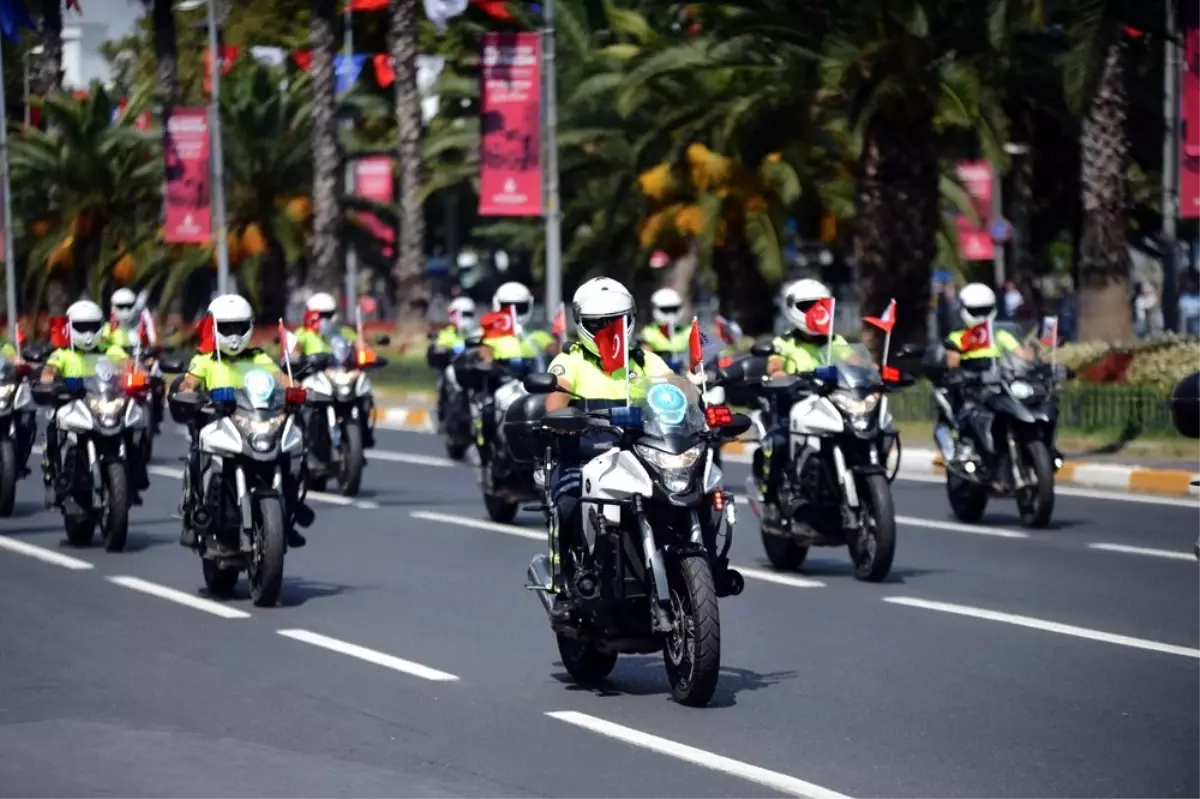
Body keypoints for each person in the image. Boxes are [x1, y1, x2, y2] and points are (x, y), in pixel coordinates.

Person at [541, 278, 674, 621]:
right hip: (584, 459)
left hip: (643, 457)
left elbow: (676, 390)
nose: (607, 330)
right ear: (581, 323)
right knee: (569, 505)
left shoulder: (646, 361)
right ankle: (564, 584)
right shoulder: (570, 360)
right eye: (598, 323)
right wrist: (561, 414)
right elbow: (556, 395)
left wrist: (701, 404)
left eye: (614, 321)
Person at [175, 294, 311, 548]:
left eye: (239, 327)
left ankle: (288, 517)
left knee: (288, 458)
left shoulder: (258, 358)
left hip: (256, 423)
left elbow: (283, 380)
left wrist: (299, 389)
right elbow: (188, 382)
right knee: (196, 455)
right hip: (217, 424)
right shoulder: (205, 360)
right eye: (227, 328)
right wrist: (188, 391)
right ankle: (194, 518)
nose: (234, 335)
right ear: (214, 328)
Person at [755, 279, 854, 502]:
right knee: (779, 443)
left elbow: (857, 362)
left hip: (833, 408)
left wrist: (875, 372)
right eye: (807, 306)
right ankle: (771, 497)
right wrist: (779, 374)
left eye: (820, 304)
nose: (814, 311)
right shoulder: (785, 342)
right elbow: (775, 365)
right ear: (792, 308)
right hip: (793, 409)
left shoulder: (836, 341)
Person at [40, 300, 136, 508]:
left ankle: (135, 478)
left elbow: (126, 364)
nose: (88, 333)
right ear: (70, 327)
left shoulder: (110, 350)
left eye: (92, 327)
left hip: (102, 403)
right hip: (72, 405)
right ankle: (54, 474)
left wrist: (137, 375)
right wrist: (50, 380)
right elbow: (49, 372)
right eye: (81, 327)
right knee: (53, 426)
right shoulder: (63, 353)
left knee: (133, 429)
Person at [939, 282, 1032, 463]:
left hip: (999, 386)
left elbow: (1022, 354)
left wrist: (1040, 354)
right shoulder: (958, 337)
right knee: (964, 414)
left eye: (984, 310)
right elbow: (952, 363)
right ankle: (964, 446)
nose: (980, 316)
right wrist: (957, 369)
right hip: (971, 388)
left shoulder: (999, 334)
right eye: (975, 311)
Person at [480, 282, 551, 361]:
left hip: (535, 373)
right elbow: (485, 356)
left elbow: (557, 353)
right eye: (507, 307)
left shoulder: (539, 335)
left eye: (520, 307)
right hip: (502, 373)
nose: (514, 312)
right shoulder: (491, 335)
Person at [292, 292, 357, 355]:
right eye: (318, 315)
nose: (323, 320)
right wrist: (296, 352)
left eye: (327, 315)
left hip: (340, 365)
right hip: (312, 366)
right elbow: (295, 349)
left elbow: (359, 345)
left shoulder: (344, 332)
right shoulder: (303, 332)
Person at [637, 287, 690, 363]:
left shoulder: (689, 330)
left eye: (674, 309)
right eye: (666, 310)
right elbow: (646, 357)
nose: (670, 314)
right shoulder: (648, 332)